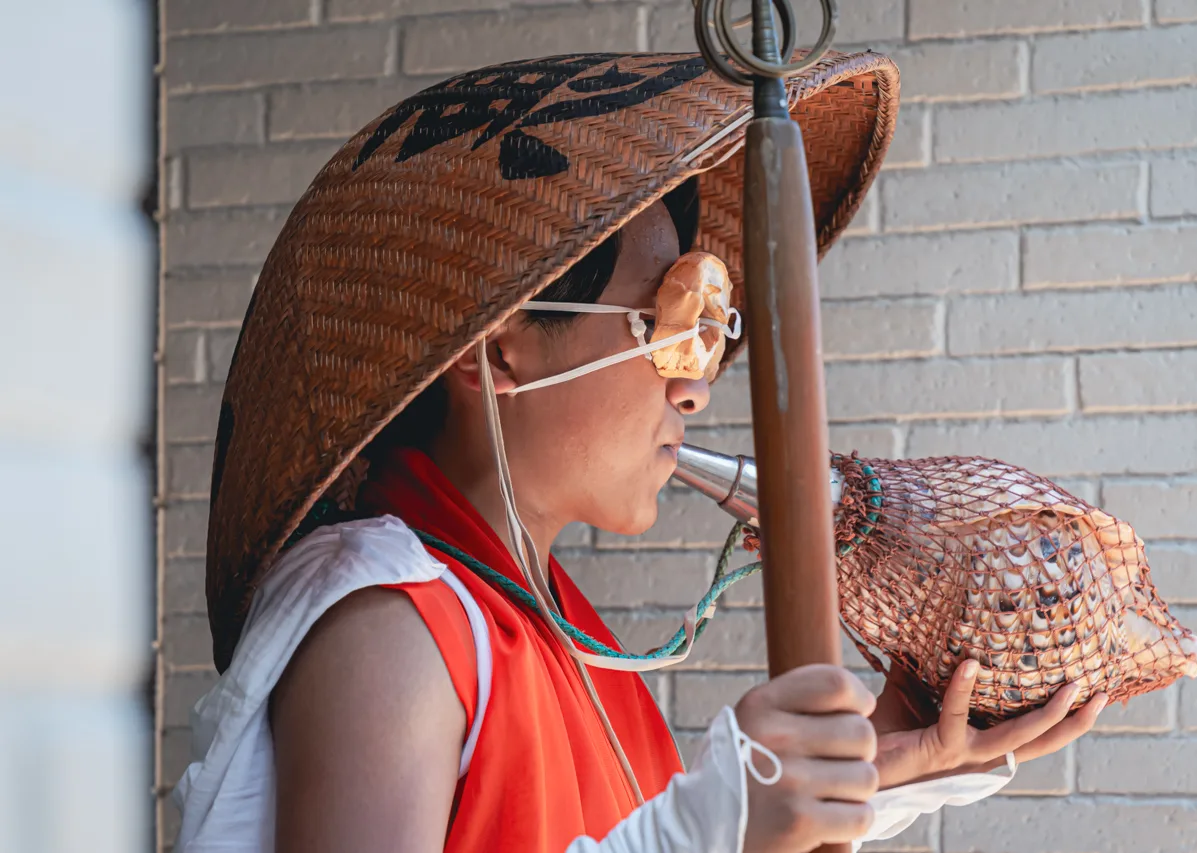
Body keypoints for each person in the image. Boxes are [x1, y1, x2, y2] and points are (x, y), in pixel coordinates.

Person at [172, 51, 1105, 853]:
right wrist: (710, 826)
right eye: (662, 323)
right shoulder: (391, 626)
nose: (693, 387)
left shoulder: (552, 622)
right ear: (498, 348)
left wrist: (879, 768)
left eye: (703, 334)